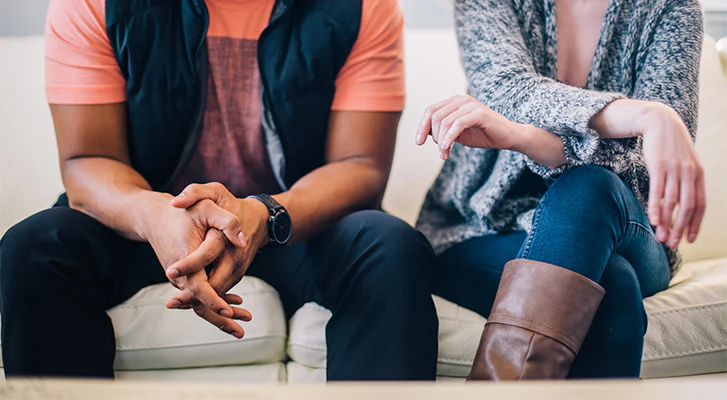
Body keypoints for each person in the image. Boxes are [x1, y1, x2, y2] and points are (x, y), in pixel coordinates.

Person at [0, 0, 439, 380]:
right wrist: (158, 216)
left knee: (390, 245)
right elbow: (86, 160)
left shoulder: (360, 7)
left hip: (293, 226)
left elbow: (360, 166)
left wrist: (265, 214)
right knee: (34, 246)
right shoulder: (96, 4)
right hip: (143, 229)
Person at [415, 0, 704, 380]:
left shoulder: (671, 8)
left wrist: (522, 136)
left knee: (591, 187)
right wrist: (644, 114)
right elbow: (508, 89)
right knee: (610, 287)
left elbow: (647, 171)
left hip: (629, 230)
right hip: (480, 230)